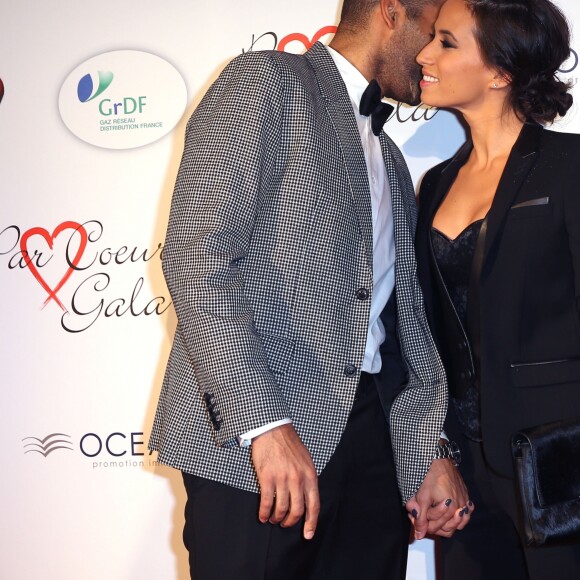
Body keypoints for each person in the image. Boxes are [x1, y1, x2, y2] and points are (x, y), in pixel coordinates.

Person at [149, 1, 471, 578]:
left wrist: (428, 451)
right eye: (431, 34)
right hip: (256, 449)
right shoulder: (265, 82)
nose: (430, 57)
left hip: (372, 447)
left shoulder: (394, 161)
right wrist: (264, 425)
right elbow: (198, 260)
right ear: (391, 12)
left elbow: (401, 327)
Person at [415, 0, 580, 578]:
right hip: (464, 478)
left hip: (564, 469)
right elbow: (425, 338)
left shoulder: (569, 166)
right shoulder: (433, 186)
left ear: (501, 71)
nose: (424, 54)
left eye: (446, 42)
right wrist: (433, 452)